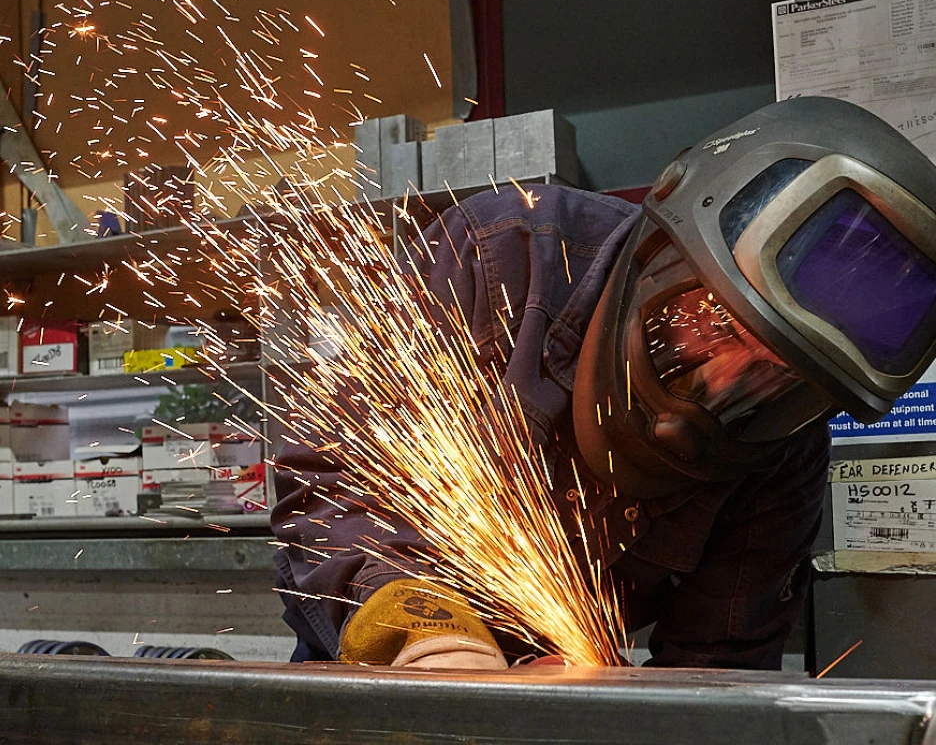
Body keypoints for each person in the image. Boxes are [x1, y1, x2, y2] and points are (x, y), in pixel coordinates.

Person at [271, 97, 936, 670]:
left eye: (774, 378)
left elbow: (720, 662)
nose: (717, 383)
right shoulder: (504, 255)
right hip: (382, 667)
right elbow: (333, 479)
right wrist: (422, 631)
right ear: (664, 247)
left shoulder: (784, 452)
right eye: (712, 322)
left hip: (563, 682)